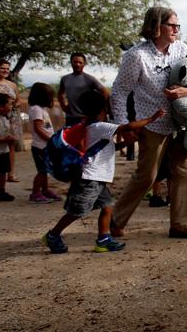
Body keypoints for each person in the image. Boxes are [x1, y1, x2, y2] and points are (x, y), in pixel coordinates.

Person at [110, 6, 187, 239]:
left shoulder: (182, 49)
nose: (176, 29)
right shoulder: (136, 56)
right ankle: (113, 221)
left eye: (177, 25)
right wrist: (123, 126)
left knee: (186, 170)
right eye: (171, 25)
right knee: (147, 176)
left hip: (181, 122)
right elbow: (120, 92)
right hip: (152, 124)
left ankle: (184, 225)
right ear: (156, 27)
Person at [42, 91, 164, 254]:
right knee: (76, 212)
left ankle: (103, 240)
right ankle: (53, 235)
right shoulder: (100, 126)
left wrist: (124, 145)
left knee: (107, 207)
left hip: (97, 178)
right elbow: (126, 127)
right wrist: (151, 119)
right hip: (90, 178)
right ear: (102, 110)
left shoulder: (90, 126)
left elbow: (104, 148)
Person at [27, 82, 62, 203]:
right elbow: (38, 128)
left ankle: (45, 190)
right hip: (40, 146)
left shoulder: (41, 109)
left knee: (45, 169)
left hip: (45, 146)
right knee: (42, 171)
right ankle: (35, 193)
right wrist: (50, 140)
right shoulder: (36, 109)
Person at [0, 58, 21, 182]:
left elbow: (17, 100)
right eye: (2, 68)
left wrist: (14, 106)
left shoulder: (12, 84)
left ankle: (10, 173)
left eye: (7, 68)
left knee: (10, 144)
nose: (5, 71)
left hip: (11, 117)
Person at [58, 53, 110, 127]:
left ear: (84, 64)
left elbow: (105, 92)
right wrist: (64, 106)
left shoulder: (89, 79)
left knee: (88, 138)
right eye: (75, 62)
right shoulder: (65, 79)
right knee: (71, 138)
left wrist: (98, 109)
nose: (77, 64)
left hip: (87, 118)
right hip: (71, 117)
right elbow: (61, 93)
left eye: (80, 62)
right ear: (71, 63)